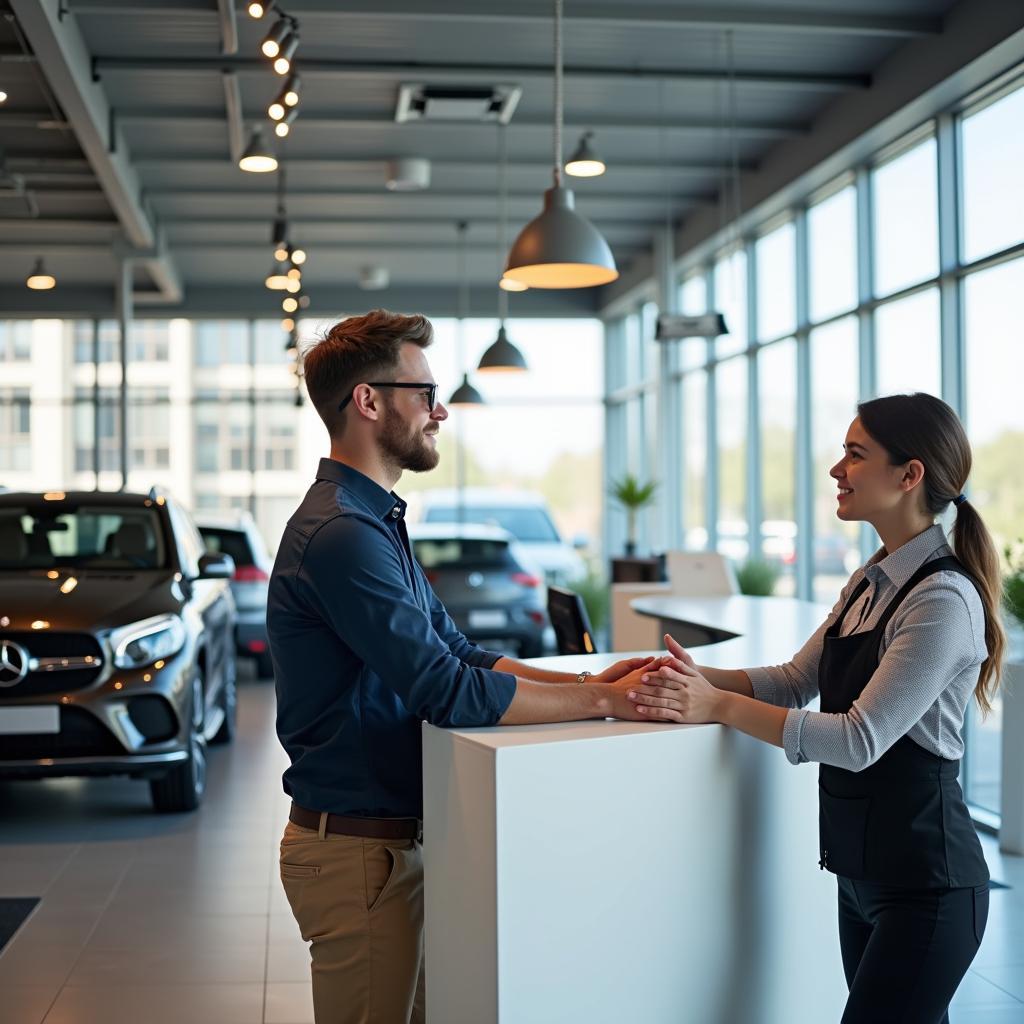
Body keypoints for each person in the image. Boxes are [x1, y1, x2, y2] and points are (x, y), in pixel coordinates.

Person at [267, 309, 660, 1024]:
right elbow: (445, 690)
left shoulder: (374, 520)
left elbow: (461, 652)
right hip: (359, 855)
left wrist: (584, 683)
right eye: (424, 392)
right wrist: (609, 706)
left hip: (389, 846)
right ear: (368, 402)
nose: (440, 410)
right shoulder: (342, 535)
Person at [628, 392, 1004, 1024]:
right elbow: (795, 679)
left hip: (928, 885)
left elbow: (858, 739)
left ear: (909, 475)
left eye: (855, 455)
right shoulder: (870, 578)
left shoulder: (943, 599)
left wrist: (715, 705)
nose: (836, 470)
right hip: (860, 877)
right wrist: (689, 674)